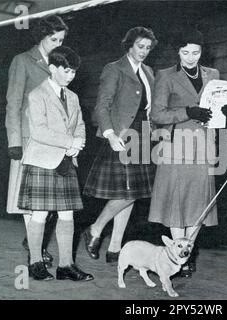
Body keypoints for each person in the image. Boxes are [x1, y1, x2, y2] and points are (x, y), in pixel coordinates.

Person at [17, 46, 93, 281]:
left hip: (66, 160)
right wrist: (69, 142)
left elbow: (80, 124)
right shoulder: (36, 95)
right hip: (42, 161)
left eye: (73, 72)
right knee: (39, 215)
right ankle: (35, 263)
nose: (71, 76)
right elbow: (38, 131)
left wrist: (78, 143)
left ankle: (65, 266)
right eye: (67, 71)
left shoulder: (73, 96)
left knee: (67, 215)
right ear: (52, 68)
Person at [148, 27, 219, 277]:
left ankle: (188, 250)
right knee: (177, 204)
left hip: (204, 146)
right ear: (177, 52)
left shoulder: (213, 74)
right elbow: (156, 114)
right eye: (185, 52)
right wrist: (188, 112)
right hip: (177, 146)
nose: (191, 57)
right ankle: (179, 255)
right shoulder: (166, 76)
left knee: (199, 204)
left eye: (196, 52)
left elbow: (219, 109)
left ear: (202, 52)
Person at [83, 27, 158, 264]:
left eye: (148, 47)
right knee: (127, 192)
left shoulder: (148, 72)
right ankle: (95, 228)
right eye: (140, 46)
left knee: (131, 194)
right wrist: (110, 134)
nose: (144, 51)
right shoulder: (114, 69)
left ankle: (115, 246)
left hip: (142, 136)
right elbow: (101, 106)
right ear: (129, 46)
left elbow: (149, 108)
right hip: (121, 136)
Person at [5, 15, 68, 267]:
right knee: (29, 198)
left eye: (61, 39)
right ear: (41, 36)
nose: (58, 43)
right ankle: (36, 252)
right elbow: (13, 103)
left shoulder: (61, 64)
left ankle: (34, 243)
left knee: (49, 201)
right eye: (53, 39)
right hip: (29, 139)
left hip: (53, 141)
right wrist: (14, 141)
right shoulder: (22, 61)